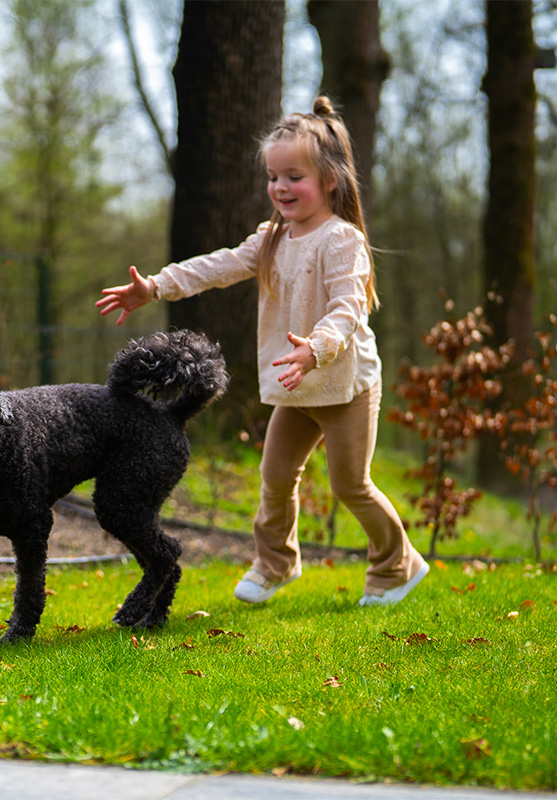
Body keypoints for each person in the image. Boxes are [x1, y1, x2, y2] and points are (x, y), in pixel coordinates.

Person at [96, 97, 428, 608]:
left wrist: (315, 350)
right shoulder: (272, 238)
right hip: (297, 385)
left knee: (351, 484)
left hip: (344, 385)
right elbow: (218, 265)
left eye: (294, 177)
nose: (281, 188)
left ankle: (397, 565)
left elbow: (348, 309)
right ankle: (276, 563)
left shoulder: (343, 241)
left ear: (330, 181)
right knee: (275, 476)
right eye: (274, 177)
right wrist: (156, 286)